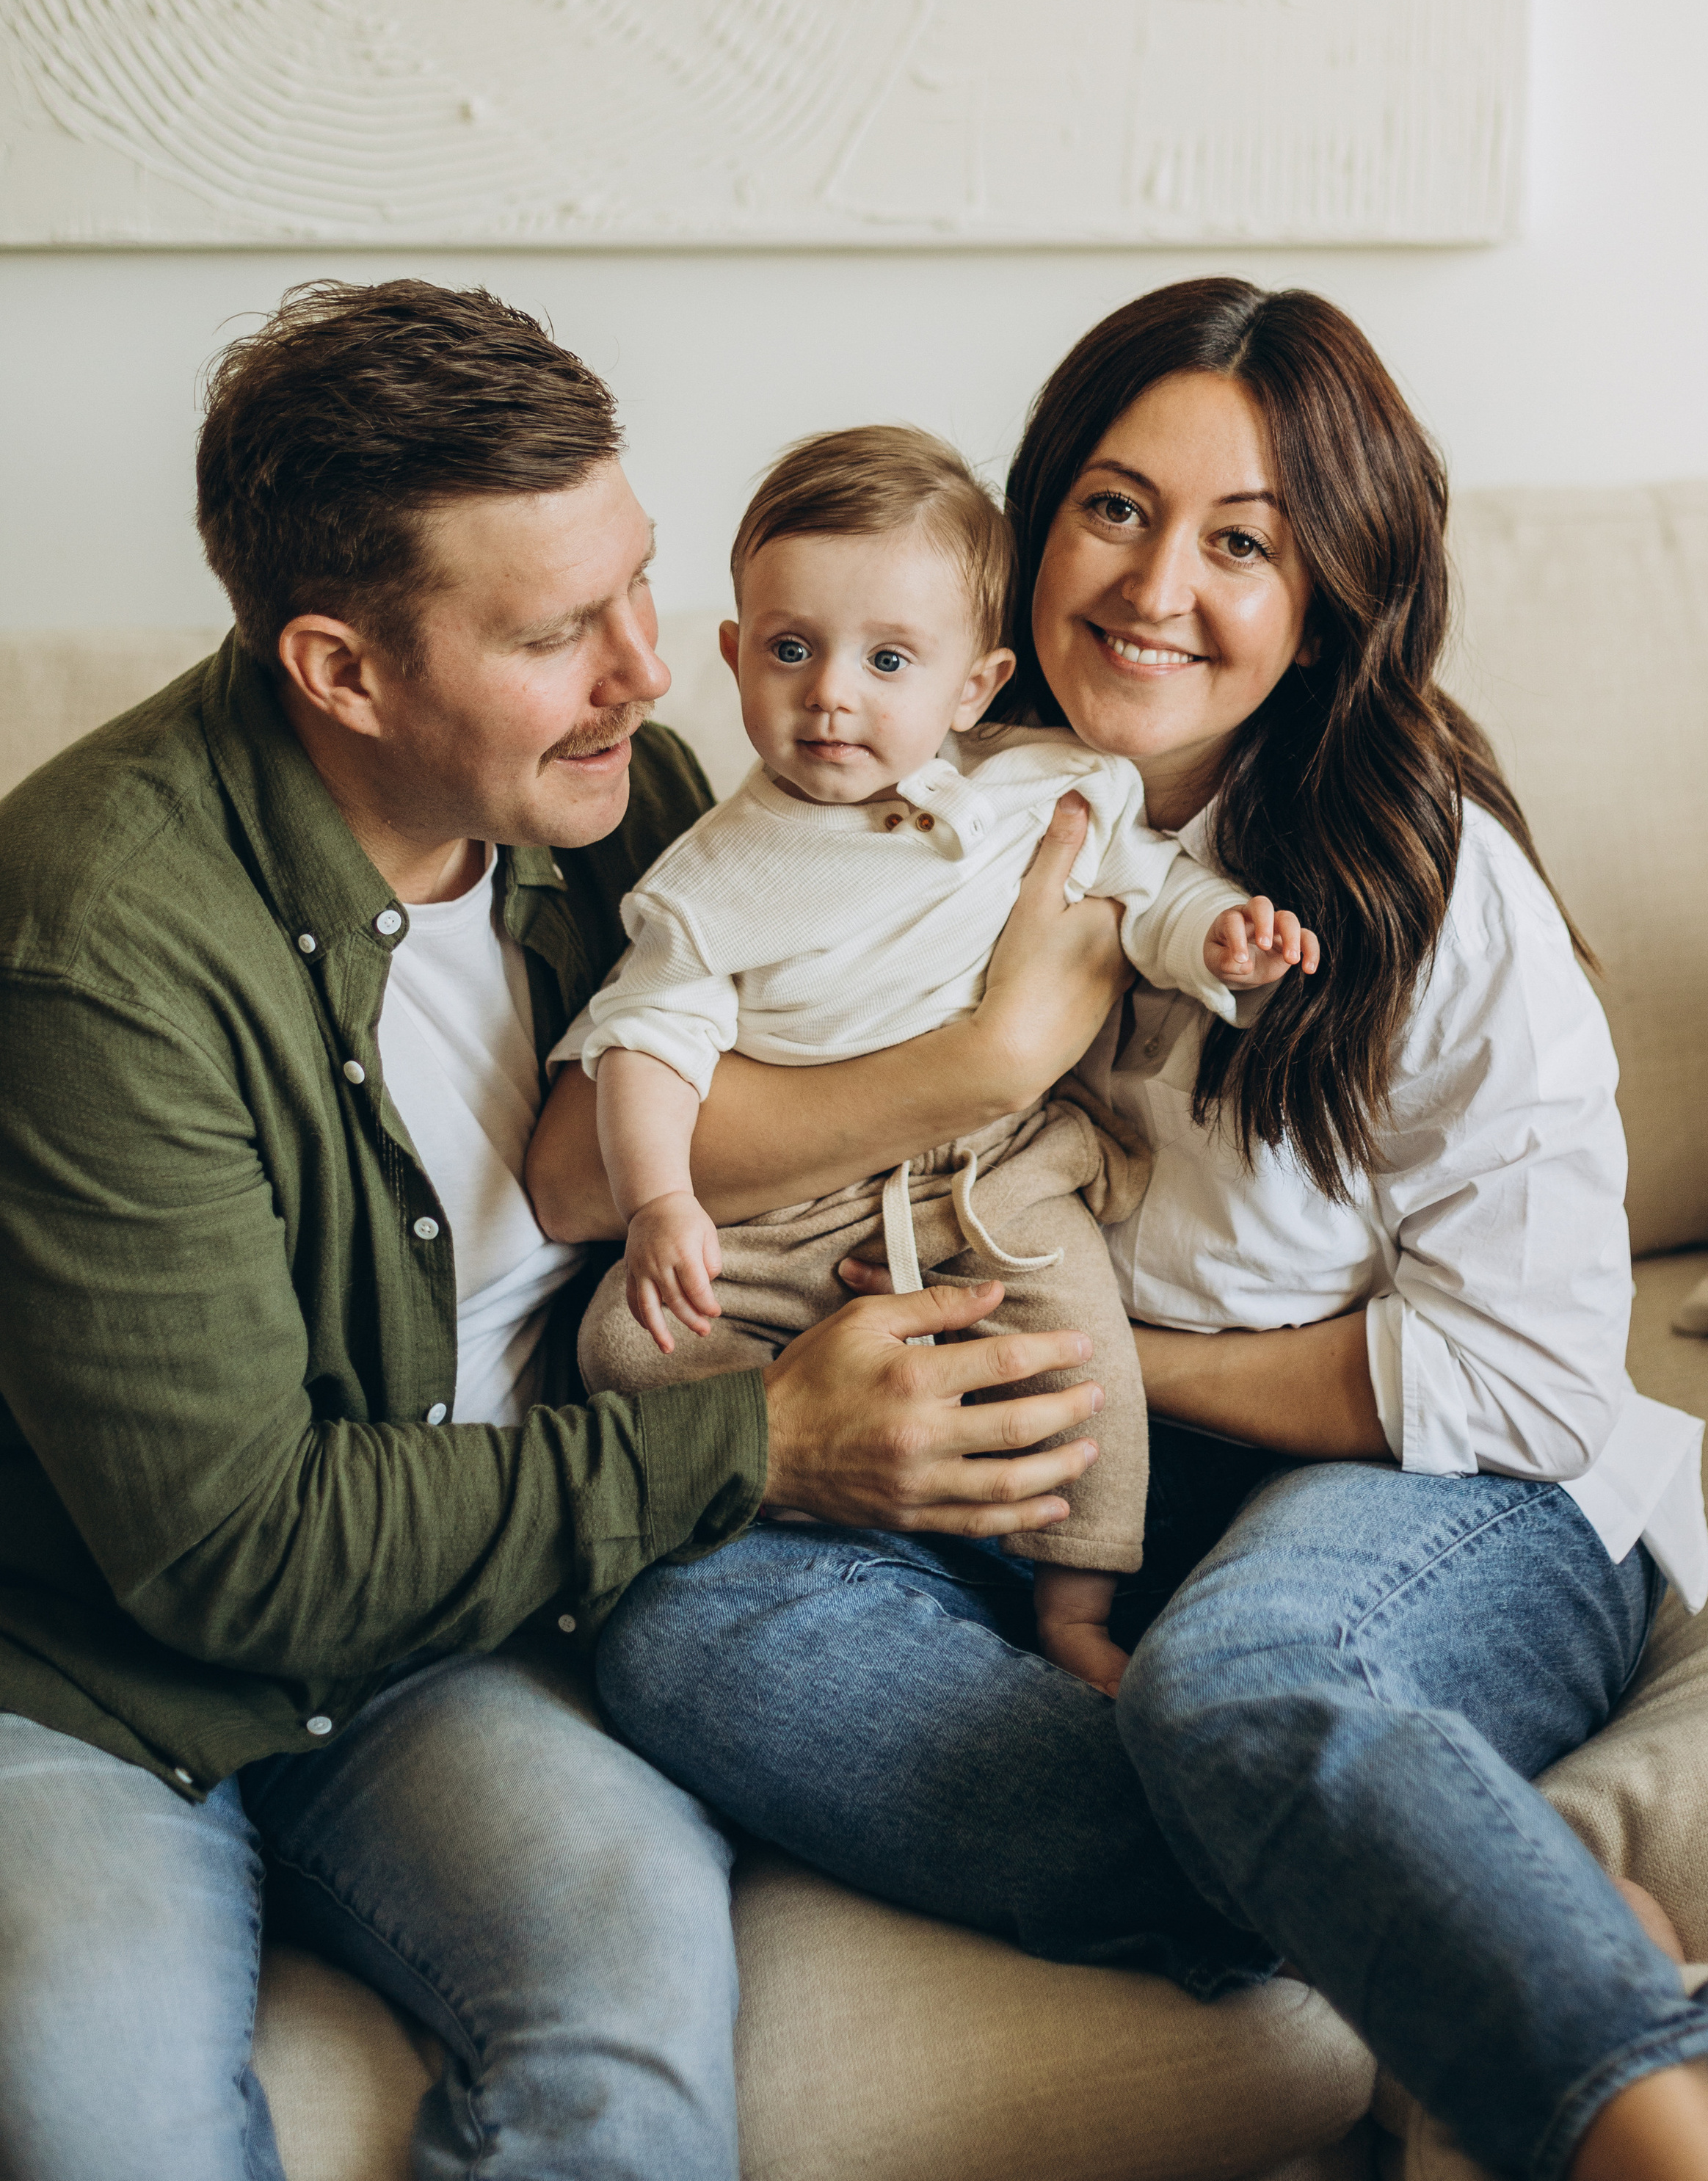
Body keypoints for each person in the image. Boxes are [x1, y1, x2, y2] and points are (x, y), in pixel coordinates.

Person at [532, 280, 1708, 2181]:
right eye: (1115, 509)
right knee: (689, 1625)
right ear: (1033, 529)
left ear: (1329, 592)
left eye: (1244, 543)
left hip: (1458, 1482)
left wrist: (1085, 1372)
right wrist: (975, 1064)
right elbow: (575, 1166)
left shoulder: (1418, 877)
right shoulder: (908, 772)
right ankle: (1467, 1897)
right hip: (1043, 1500)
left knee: (1241, 1687)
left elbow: (1523, 1374)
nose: (1154, 585)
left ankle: (1654, 2129)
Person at [0, 278, 1119, 2181]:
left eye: (639, 590)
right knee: (112, 2129)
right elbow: (231, 1552)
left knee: (632, 2004)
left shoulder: (626, 812)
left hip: (456, 1642)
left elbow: (699, 1130)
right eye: (554, 633)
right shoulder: (97, 945)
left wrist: (977, 1081)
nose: (644, 671)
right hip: (97, 1673)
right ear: (342, 671)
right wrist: (756, 1442)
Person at [564, 421, 1316, 1691]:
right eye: (792, 651)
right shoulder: (707, 881)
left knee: (1082, 1356)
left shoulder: (1047, 790)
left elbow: (1147, 893)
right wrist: (660, 1202)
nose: (832, 693)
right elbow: (648, 1042)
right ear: (738, 657)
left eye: (889, 659)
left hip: (991, 1181)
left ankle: (1077, 1609)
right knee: (621, 1352)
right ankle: (839, 1464)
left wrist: (1220, 941)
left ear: (974, 686)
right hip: (777, 1225)